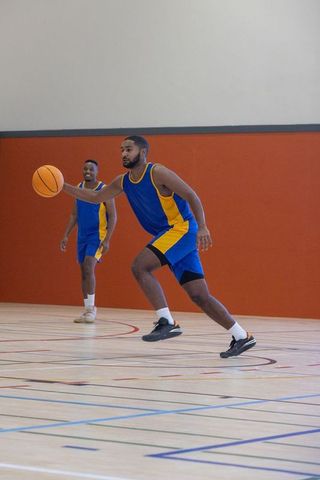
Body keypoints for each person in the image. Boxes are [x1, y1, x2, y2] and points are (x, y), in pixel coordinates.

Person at [63, 137, 256, 357]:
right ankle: (242, 336)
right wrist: (62, 186)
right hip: (170, 235)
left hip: (181, 229)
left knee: (140, 266)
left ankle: (166, 321)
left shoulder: (158, 173)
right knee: (199, 295)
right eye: (121, 150)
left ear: (143, 152)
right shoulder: (123, 182)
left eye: (128, 149)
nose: (123, 154)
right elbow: (96, 196)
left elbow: (191, 195)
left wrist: (203, 227)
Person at [60, 159, 117, 323]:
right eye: (85, 168)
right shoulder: (78, 189)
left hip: (97, 235)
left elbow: (113, 216)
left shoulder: (104, 190)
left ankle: (91, 310)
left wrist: (107, 239)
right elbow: (74, 215)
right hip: (82, 236)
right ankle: (87, 310)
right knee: (83, 272)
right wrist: (66, 235)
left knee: (88, 266)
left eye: (91, 169)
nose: (87, 171)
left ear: (97, 171)